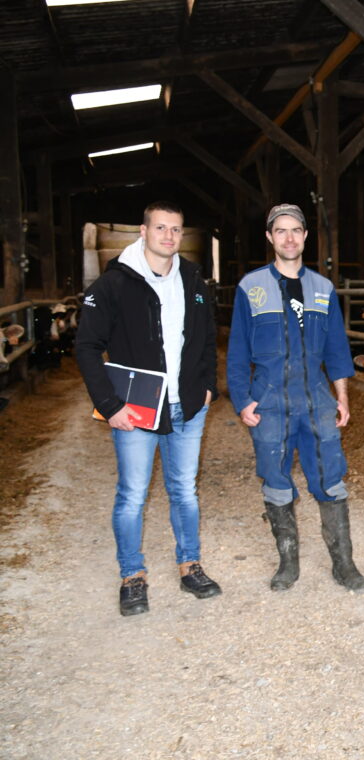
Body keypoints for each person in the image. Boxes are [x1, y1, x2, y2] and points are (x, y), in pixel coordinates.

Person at [76, 201, 220, 617]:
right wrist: (108, 404)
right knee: (133, 494)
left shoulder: (192, 278)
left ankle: (190, 565)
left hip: (188, 406)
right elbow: (87, 346)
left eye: (176, 229)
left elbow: (207, 336)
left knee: (184, 491)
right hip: (135, 411)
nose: (169, 237)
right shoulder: (114, 284)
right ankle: (132, 576)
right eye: (161, 228)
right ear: (143, 231)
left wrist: (208, 388)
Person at [226, 204, 364, 593]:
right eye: (281, 231)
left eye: (296, 231)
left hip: (317, 401)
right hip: (270, 401)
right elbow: (237, 352)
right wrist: (242, 400)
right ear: (270, 238)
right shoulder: (250, 288)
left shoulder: (323, 289)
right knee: (275, 481)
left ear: (305, 237)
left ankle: (344, 564)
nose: (289, 238)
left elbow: (338, 350)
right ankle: (288, 563)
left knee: (331, 479)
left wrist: (342, 398)